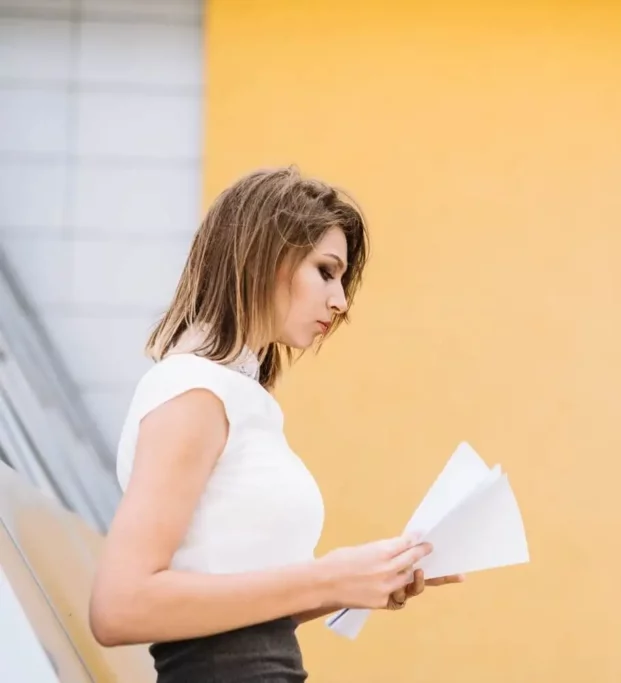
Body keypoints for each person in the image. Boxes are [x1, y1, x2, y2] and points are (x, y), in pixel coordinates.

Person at [88, 166, 463, 682]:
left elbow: (237, 621)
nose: (341, 301)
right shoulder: (195, 393)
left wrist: (353, 582)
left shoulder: (242, 398)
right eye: (326, 271)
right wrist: (328, 575)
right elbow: (119, 605)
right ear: (266, 256)